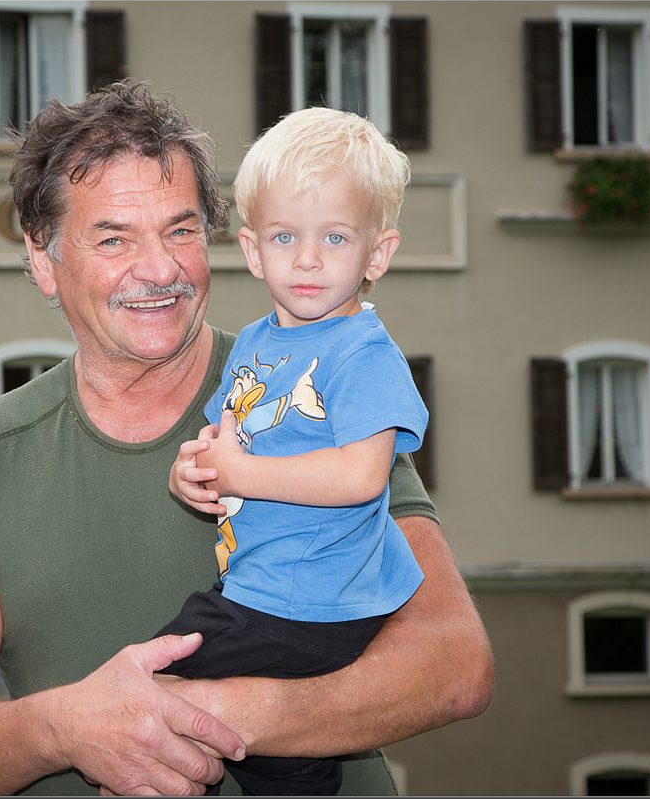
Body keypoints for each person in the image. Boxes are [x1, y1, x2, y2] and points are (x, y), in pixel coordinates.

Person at [0, 81, 493, 797]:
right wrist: (66, 727)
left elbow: (454, 666)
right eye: (114, 239)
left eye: (181, 231)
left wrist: (205, 715)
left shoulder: (312, 388)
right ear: (45, 260)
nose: (160, 270)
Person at [155, 107, 427, 796]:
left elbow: (361, 476)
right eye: (285, 236)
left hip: (308, 598)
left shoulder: (362, 354)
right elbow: (228, 435)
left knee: (151, 688)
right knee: (276, 764)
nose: (307, 259)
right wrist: (195, 467)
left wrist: (242, 472)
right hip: (262, 584)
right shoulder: (257, 342)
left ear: (377, 254)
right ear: (253, 251)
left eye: (335, 237)